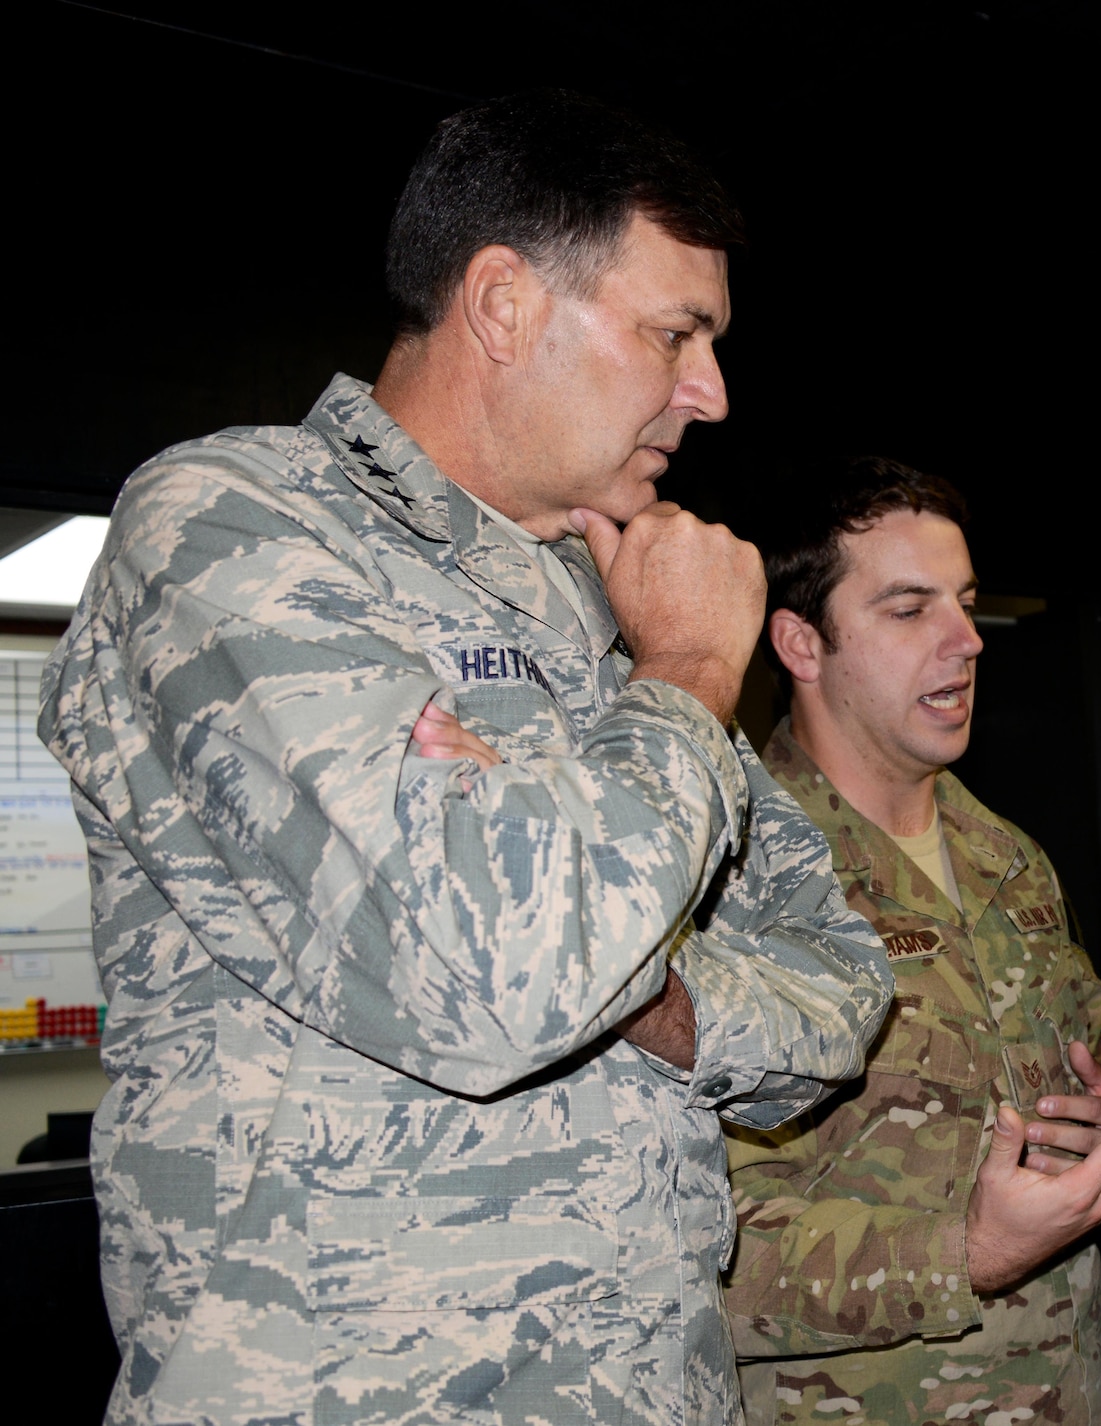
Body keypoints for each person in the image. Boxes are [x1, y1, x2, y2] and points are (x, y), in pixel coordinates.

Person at [38, 91, 893, 1426]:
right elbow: (503, 982)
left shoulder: (608, 599)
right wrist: (680, 683)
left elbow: (839, 993)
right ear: (503, 303)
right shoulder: (234, 529)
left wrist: (642, 984)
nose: (710, 393)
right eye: (675, 334)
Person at [721, 459, 1101, 1426]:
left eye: (964, 604)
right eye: (908, 609)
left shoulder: (1007, 856)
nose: (967, 641)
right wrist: (964, 1251)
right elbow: (701, 1248)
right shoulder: (732, 879)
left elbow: (1088, 1053)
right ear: (801, 642)